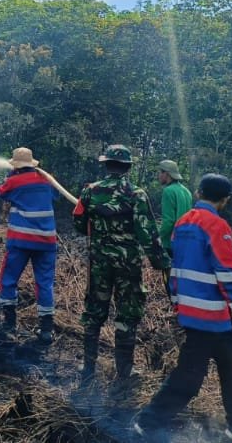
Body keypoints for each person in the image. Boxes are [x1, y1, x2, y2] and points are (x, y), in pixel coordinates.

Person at [134, 173, 232, 441]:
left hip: (195, 314)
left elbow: (176, 268)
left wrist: (177, 302)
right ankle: (148, 422)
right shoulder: (217, 225)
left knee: (230, 370)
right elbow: (227, 274)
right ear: (225, 200)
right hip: (211, 317)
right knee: (197, 377)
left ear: (199, 192)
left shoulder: (183, 223)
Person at [72, 143, 170, 390]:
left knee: (94, 311)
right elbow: (147, 232)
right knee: (127, 313)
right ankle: (125, 371)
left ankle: (88, 369)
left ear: (105, 165)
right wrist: (161, 263)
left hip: (99, 263)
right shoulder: (136, 194)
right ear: (127, 167)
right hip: (127, 264)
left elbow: (79, 224)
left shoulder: (89, 192)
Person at [0, 147, 60, 343]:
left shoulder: (13, 181)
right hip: (47, 242)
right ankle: (46, 330)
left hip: (20, 242)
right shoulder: (48, 180)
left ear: (15, 165)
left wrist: (10, 176)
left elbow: (0, 192)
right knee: (45, 284)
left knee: (8, 280)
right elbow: (56, 196)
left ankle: (9, 324)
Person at [157, 159, 193, 248]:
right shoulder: (186, 191)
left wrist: (158, 237)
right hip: (185, 241)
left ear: (167, 174)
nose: (159, 176)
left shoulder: (168, 191)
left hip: (171, 242)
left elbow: (169, 221)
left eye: (160, 173)